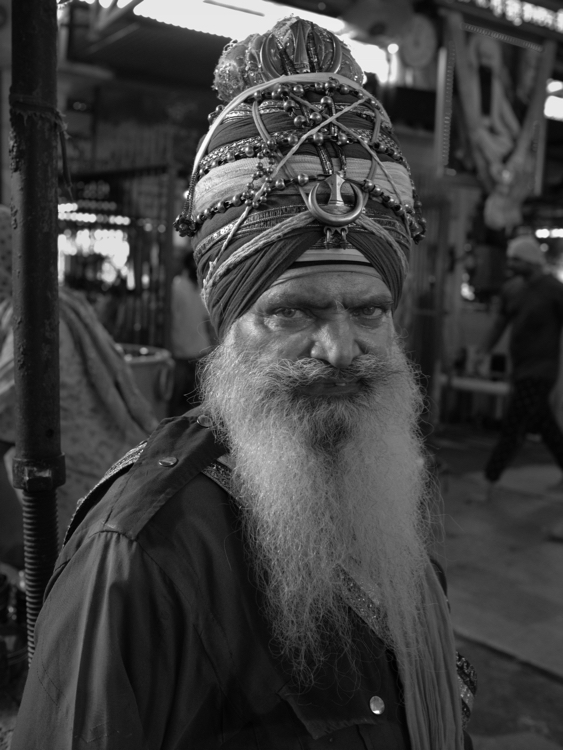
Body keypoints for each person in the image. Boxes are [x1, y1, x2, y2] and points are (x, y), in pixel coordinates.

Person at [11, 17, 476, 749]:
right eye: (293, 310)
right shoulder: (140, 555)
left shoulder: (390, 485)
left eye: (369, 310)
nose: (340, 348)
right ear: (227, 328)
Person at [0, 204, 158, 567]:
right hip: (97, 482)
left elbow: (9, 399)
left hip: (87, 495)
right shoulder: (43, 304)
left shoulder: (34, 313)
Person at [472, 234, 563, 503]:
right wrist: (482, 352)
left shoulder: (553, 289)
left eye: (516, 259)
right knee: (544, 424)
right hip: (521, 369)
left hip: (542, 370)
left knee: (513, 425)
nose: (510, 263)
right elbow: (499, 325)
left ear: (531, 262)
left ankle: (490, 478)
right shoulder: (512, 289)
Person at [169, 248, 214, 415]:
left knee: (194, 401)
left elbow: (206, 320)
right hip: (183, 350)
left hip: (196, 350)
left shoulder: (197, 289)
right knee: (179, 398)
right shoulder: (177, 287)